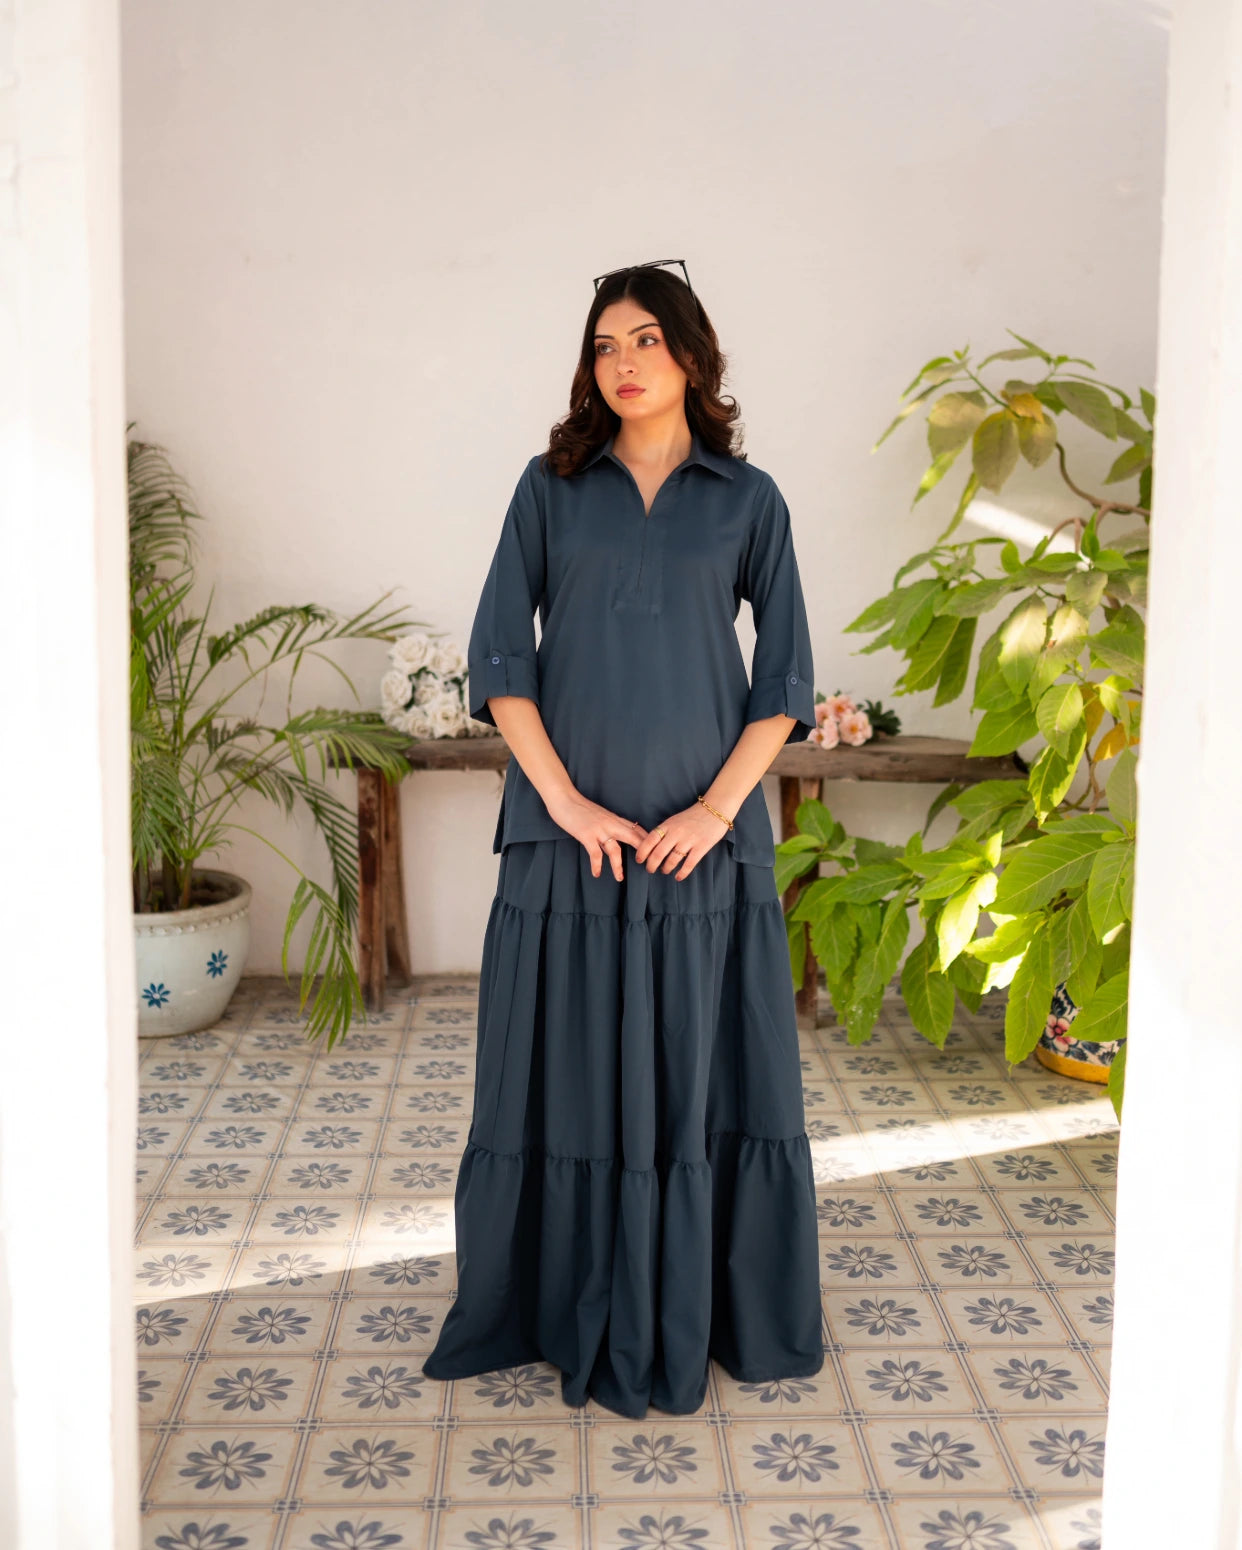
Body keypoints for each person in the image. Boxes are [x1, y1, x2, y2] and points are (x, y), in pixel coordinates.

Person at [421, 259, 824, 1418]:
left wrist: (711, 811)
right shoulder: (551, 489)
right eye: (605, 345)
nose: (625, 362)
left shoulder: (750, 500)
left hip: (701, 850)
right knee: (557, 1076)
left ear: (692, 354)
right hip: (569, 843)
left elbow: (786, 682)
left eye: (646, 339)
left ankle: (707, 1299)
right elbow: (500, 662)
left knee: (704, 1078)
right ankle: (552, 1301)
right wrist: (566, 803)